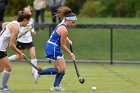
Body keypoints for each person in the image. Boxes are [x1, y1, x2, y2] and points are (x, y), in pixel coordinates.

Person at [38, 6, 76, 91]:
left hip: (52, 46)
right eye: (73, 22)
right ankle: (39, 72)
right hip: (53, 47)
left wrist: (68, 40)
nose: (73, 24)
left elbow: (60, 35)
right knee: (60, 69)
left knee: (62, 68)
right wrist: (71, 54)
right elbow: (63, 45)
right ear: (68, 20)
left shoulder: (62, 24)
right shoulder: (64, 29)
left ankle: (56, 86)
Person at [0, 11, 30, 91]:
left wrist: (6, 34)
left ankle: (3, 87)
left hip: (1, 47)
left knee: (1, 69)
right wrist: (20, 53)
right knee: (8, 67)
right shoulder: (16, 27)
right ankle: (3, 87)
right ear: (24, 20)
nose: (29, 22)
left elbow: (4, 25)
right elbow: (11, 45)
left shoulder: (14, 23)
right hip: (0, 48)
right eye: (28, 20)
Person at [8, 6, 39, 83]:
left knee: (33, 55)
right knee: (19, 56)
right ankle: (6, 59)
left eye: (29, 11)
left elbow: (32, 29)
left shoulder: (31, 20)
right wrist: (21, 33)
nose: (28, 12)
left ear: (31, 13)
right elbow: (15, 29)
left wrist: (33, 32)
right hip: (21, 40)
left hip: (29, 40)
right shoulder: (19, 19)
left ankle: (34, 71)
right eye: (26, 11)